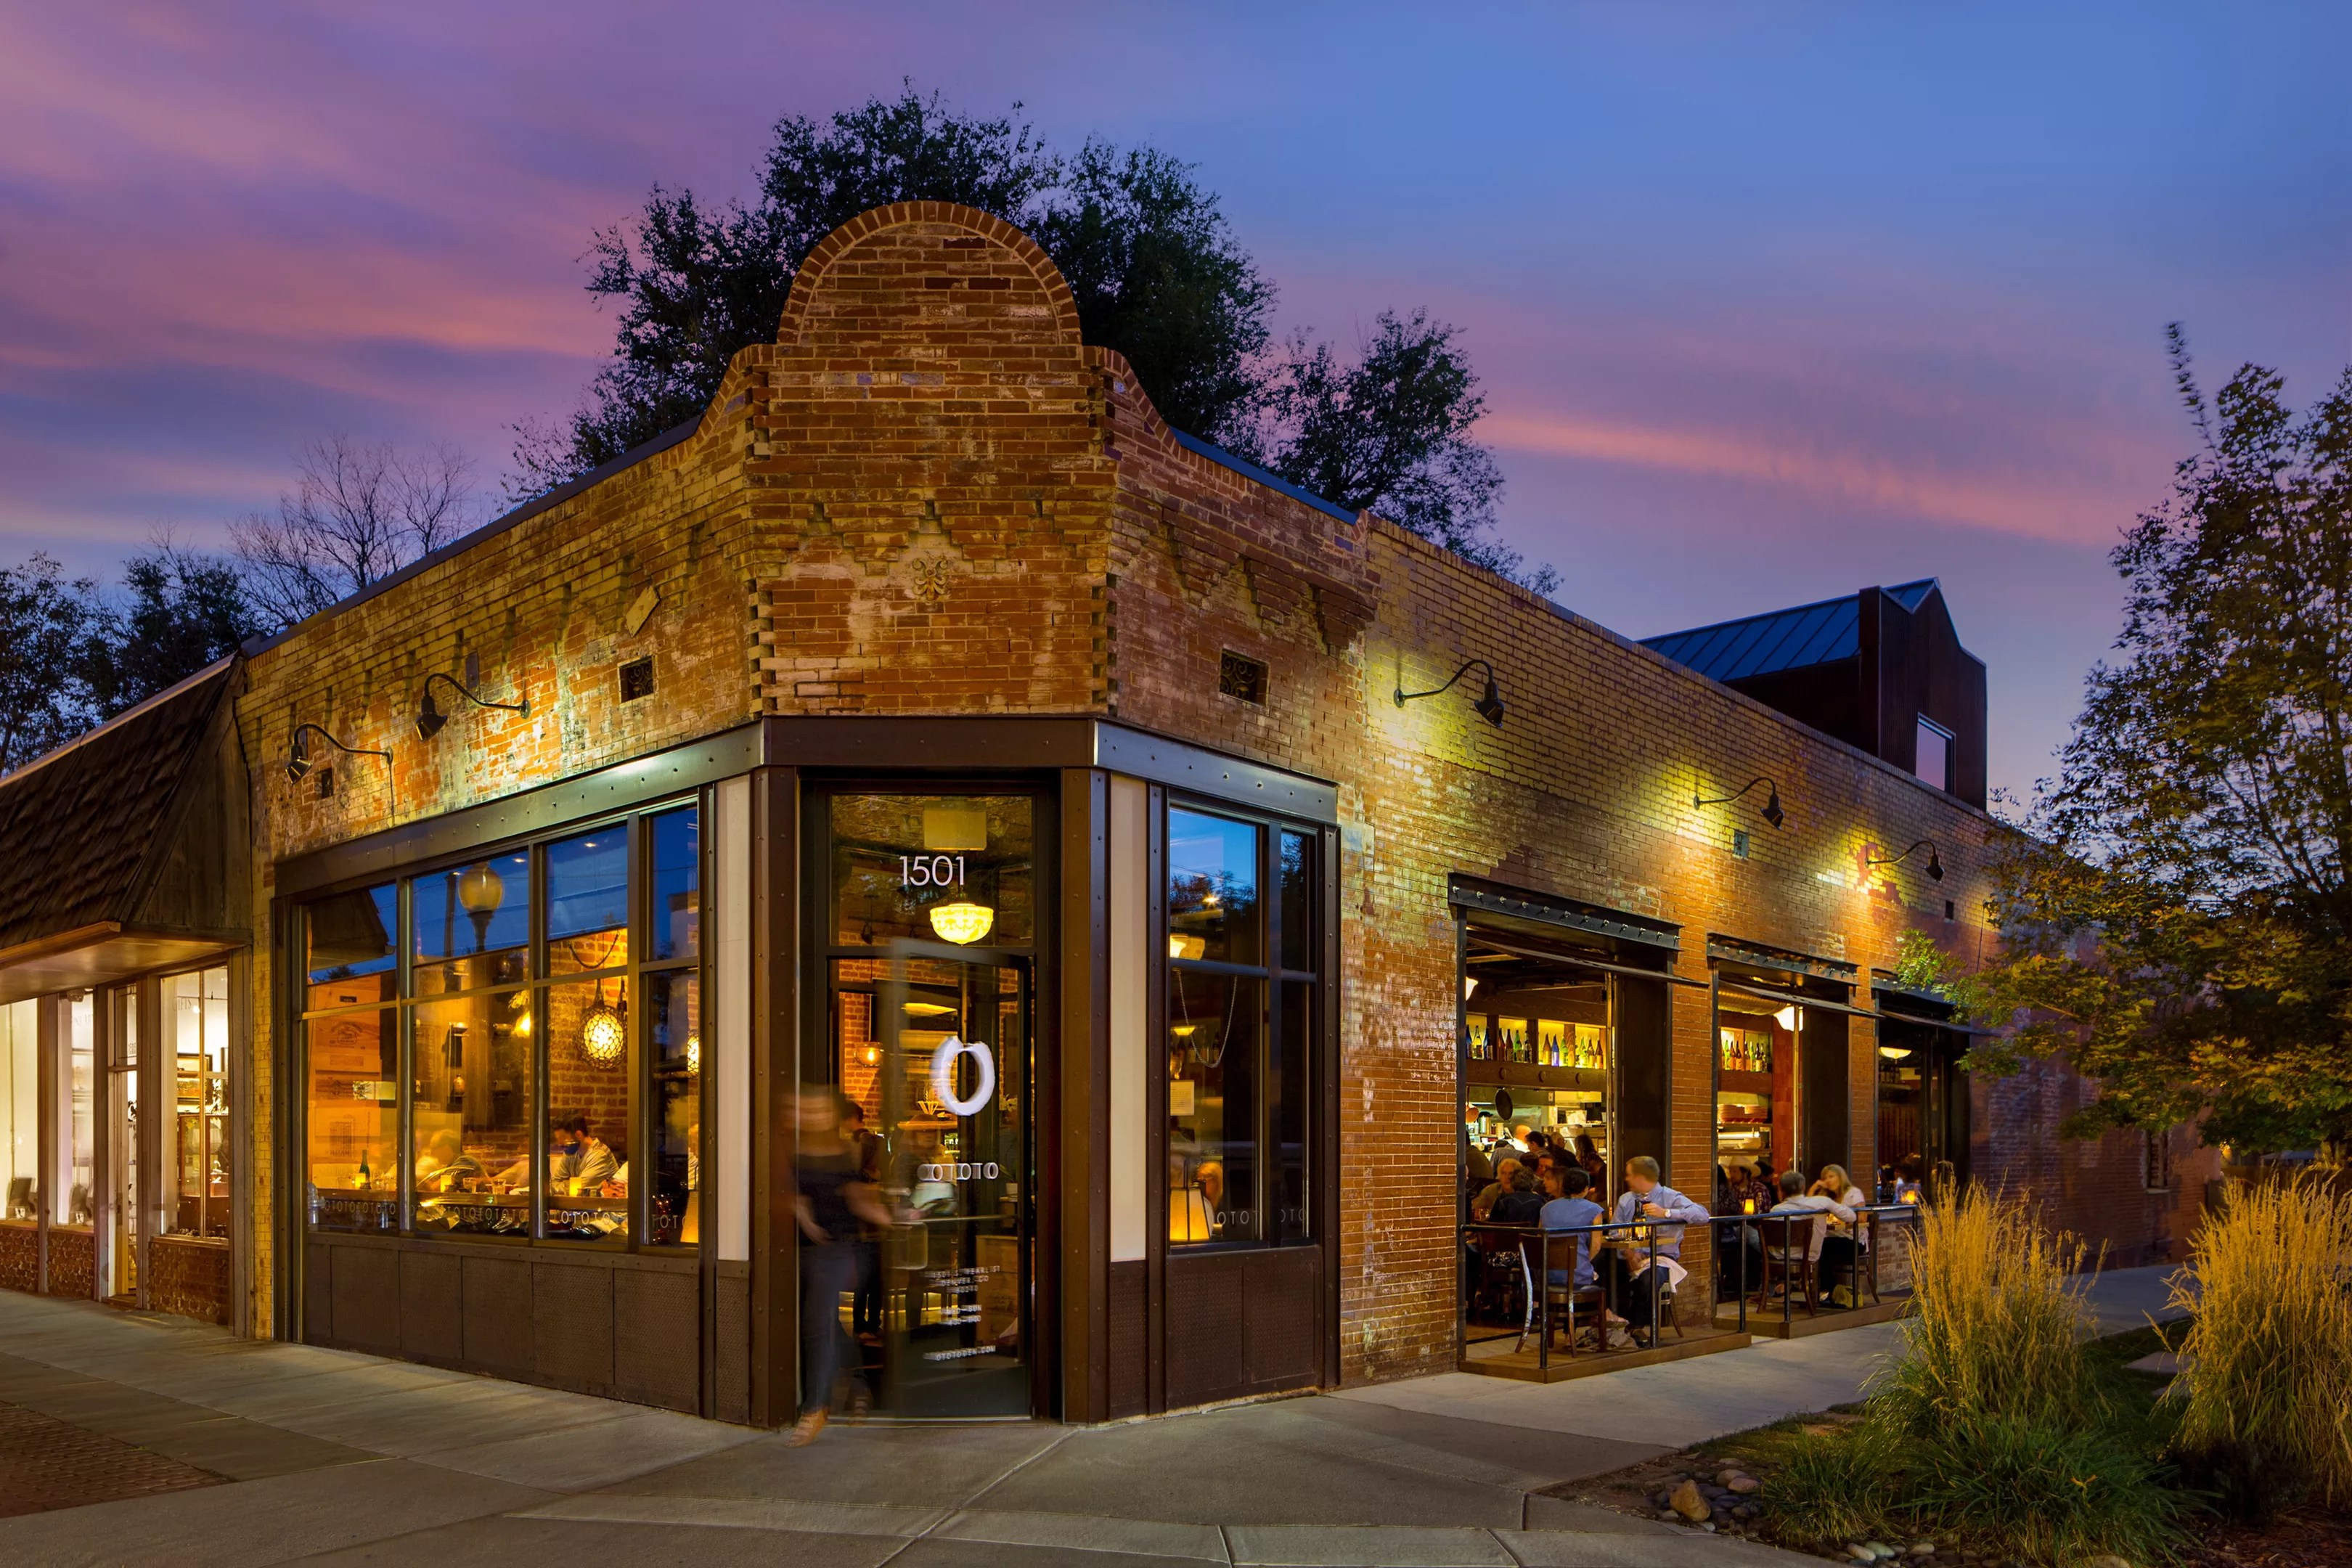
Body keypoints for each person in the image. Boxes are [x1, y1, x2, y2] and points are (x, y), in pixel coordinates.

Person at [789, 1085, 891, 1445]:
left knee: (816, 1325)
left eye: (821, 1110)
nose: (814, 1115)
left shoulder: (845, 1153)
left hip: (837, 1248)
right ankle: (861, 1389)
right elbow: (792, 1197)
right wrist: (805, 1219)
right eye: (809, 1109)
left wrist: (892, 1219)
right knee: (828, 1323)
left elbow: (858, 1199)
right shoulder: (795, 1153)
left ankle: (816, 1408)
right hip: (804, 1249)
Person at [1601, 1155, 1711, 1345]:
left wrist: (1666, 1213)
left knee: (1649, 1279)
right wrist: (1629, 1253)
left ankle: (1635, 1326)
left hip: (1661, 1257)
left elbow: (1703, 1215)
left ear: (1642, 1176)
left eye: (1630, 1175)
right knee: (1602, 1270)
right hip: (1629, 1254)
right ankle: (1610, 1324)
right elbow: (1614, 1230)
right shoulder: (1626, 1200)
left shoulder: (1670, 1197)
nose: (1626, 1179)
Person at [1765, 1168, 1856, 1299]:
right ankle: (1815, 1295)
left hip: (1780, 1256)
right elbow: (1851, 1216)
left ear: (1781, 1190)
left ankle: (1770, 1290)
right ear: (1803, 1187)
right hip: (1810, 1255)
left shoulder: (1775, 1210)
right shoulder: (1821, 1202)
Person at [840, 1095, 885, 1342]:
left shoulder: (857, 1143)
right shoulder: (874, 1142)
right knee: (874, 1279)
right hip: (874, 1227)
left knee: (866, 1278)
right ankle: (871, 1324)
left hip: (863, 1229)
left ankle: (862, 1326)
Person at [1538, 1164, 1606, 1296]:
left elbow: (1539, 1240)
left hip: (1546, 1276)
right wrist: (1582, 1264)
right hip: (1578, 1277)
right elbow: (1596, 1247)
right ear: (1586, 1189)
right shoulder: (1594, 1210)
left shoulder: (1546, 1208)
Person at [1810, 1163, 1870, 1306]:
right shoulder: (1826, 1196)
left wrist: (1842, 1220)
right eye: (1825, 1178)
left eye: (1831, 1176)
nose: (1828, 1181)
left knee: (1822, 1249)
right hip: (1831, 1239)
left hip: (1853, 1240)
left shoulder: (1853, 1193)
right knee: (1815, 1247)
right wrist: (1814, 1188)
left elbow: (1862, 1217)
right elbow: (1807, 1208)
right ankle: (1821, 1291)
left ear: (1840, 1177)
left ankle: (1826, 1291)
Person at [414, 1130, 481, 1193]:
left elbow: (438, 1188)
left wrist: (424, 1183)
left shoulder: (464, 1161)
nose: (431, 1153)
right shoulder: (452, 1164)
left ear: (446, 1148)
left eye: (433, 1149)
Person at [1488, 1162, 1544, 1226]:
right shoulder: (1540, 1201)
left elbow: (1492, 1225)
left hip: (1506, 1232)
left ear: (1513, 1181)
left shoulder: (1502, 1199)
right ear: (1533, 1182)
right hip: (1532, 1233)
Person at [1471, 1157, 1523, 1222]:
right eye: (1503, 1173)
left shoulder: (1525, 1193)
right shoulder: (1489, 1191)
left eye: (1511, 1173)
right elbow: (1475, 1213)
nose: (1507, 1177)